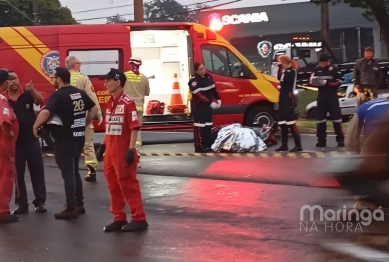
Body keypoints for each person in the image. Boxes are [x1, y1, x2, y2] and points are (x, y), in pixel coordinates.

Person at [33, 67, 98, 220]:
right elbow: (94, 108)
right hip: (78, 137)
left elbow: (46, 112)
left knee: (68, 173)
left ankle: (70, 208)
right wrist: (84, 124)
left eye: (53, 77)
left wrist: (35, 126)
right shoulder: (79, 93)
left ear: (59, 79)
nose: (52, 80)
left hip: (64, 139)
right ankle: (79, 204)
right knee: (74, 170)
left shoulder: (58, 95)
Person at [94, 68, 148, 232]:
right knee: (113, 185)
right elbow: (109, 127)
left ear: (118, 82)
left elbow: (134, 127)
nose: (105, 84)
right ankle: (119, 217)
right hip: (110, 150)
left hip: (122, 151)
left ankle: (139, 218)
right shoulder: (110, 103)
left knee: (128, 184)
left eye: (108, 81)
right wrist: (102, 146)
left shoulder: (128, 102)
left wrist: (131, 149)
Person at [4, 71, 47, 214]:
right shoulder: (4, 98)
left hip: (32, 140)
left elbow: (40, 101)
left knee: (37, 171)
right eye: (10, 80)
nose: (14, 82)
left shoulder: (27, 94)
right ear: (6, 83)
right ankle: (22, 204)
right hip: (15, 143)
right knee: (17, 174)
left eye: (15, 78)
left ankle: (40, 201)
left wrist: (32, 90)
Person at [66, 55, 103, 182]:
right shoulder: (83, 78)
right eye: (79, 63)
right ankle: (91, 169)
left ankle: (70, 170)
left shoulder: (63, 78)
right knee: (87, 143)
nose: (80, 65)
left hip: (68, 117)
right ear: (74, 65)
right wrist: (99, 113)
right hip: (83, 115)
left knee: (69, 144)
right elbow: (91, 96)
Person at [310, 54, 345, 147]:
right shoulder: (316, 69)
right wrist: (317, 82)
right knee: (320, 119)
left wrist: (328, 83)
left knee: (336, 119)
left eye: (324, 63)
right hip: (321, 96)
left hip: (332, 96)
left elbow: (339, 81)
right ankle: (321, 140)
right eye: (321, 63)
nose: (323, 65)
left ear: (328, 62)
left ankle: (340, 139)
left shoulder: (334, 68)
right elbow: (311, 81)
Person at [123, 56, 150, 168]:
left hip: (127, 108)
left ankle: (126, 155)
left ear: (130, 64)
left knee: (126, 131)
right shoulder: (144, 78)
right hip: (138, 109)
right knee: (137, 133)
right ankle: (136, 155)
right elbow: (147, 93)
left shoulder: (124, 76)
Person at [188, 62, 221, 153]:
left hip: (208, 108)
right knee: (200, 127)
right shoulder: (194, 81)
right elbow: (198, 95)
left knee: (208, 125)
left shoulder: (208, 77)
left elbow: (213, 89)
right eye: (201, 69)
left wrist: (218, 98)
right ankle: (200, 147)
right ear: (196, 71)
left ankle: (208, 145)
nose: (203, 70)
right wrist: (210, 102)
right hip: (199, 107)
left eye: (204, 68)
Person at [0, 69, 19, 224]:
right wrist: (10, 134)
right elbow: (5, 121)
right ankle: (2, 212)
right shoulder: (2, 100)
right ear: (5, 83)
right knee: (6, 176)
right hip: (4, 145)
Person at [275, 55, 303, 152]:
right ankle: (284, 144)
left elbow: (286, 81)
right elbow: (279, 78)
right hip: (283, 97)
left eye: (280, 62)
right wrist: (279, 68)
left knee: (290, 121)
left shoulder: (291, 71)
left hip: (289, 97)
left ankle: (298, 145)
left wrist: (282, 70)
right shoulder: (284, 71)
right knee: (282, 122)